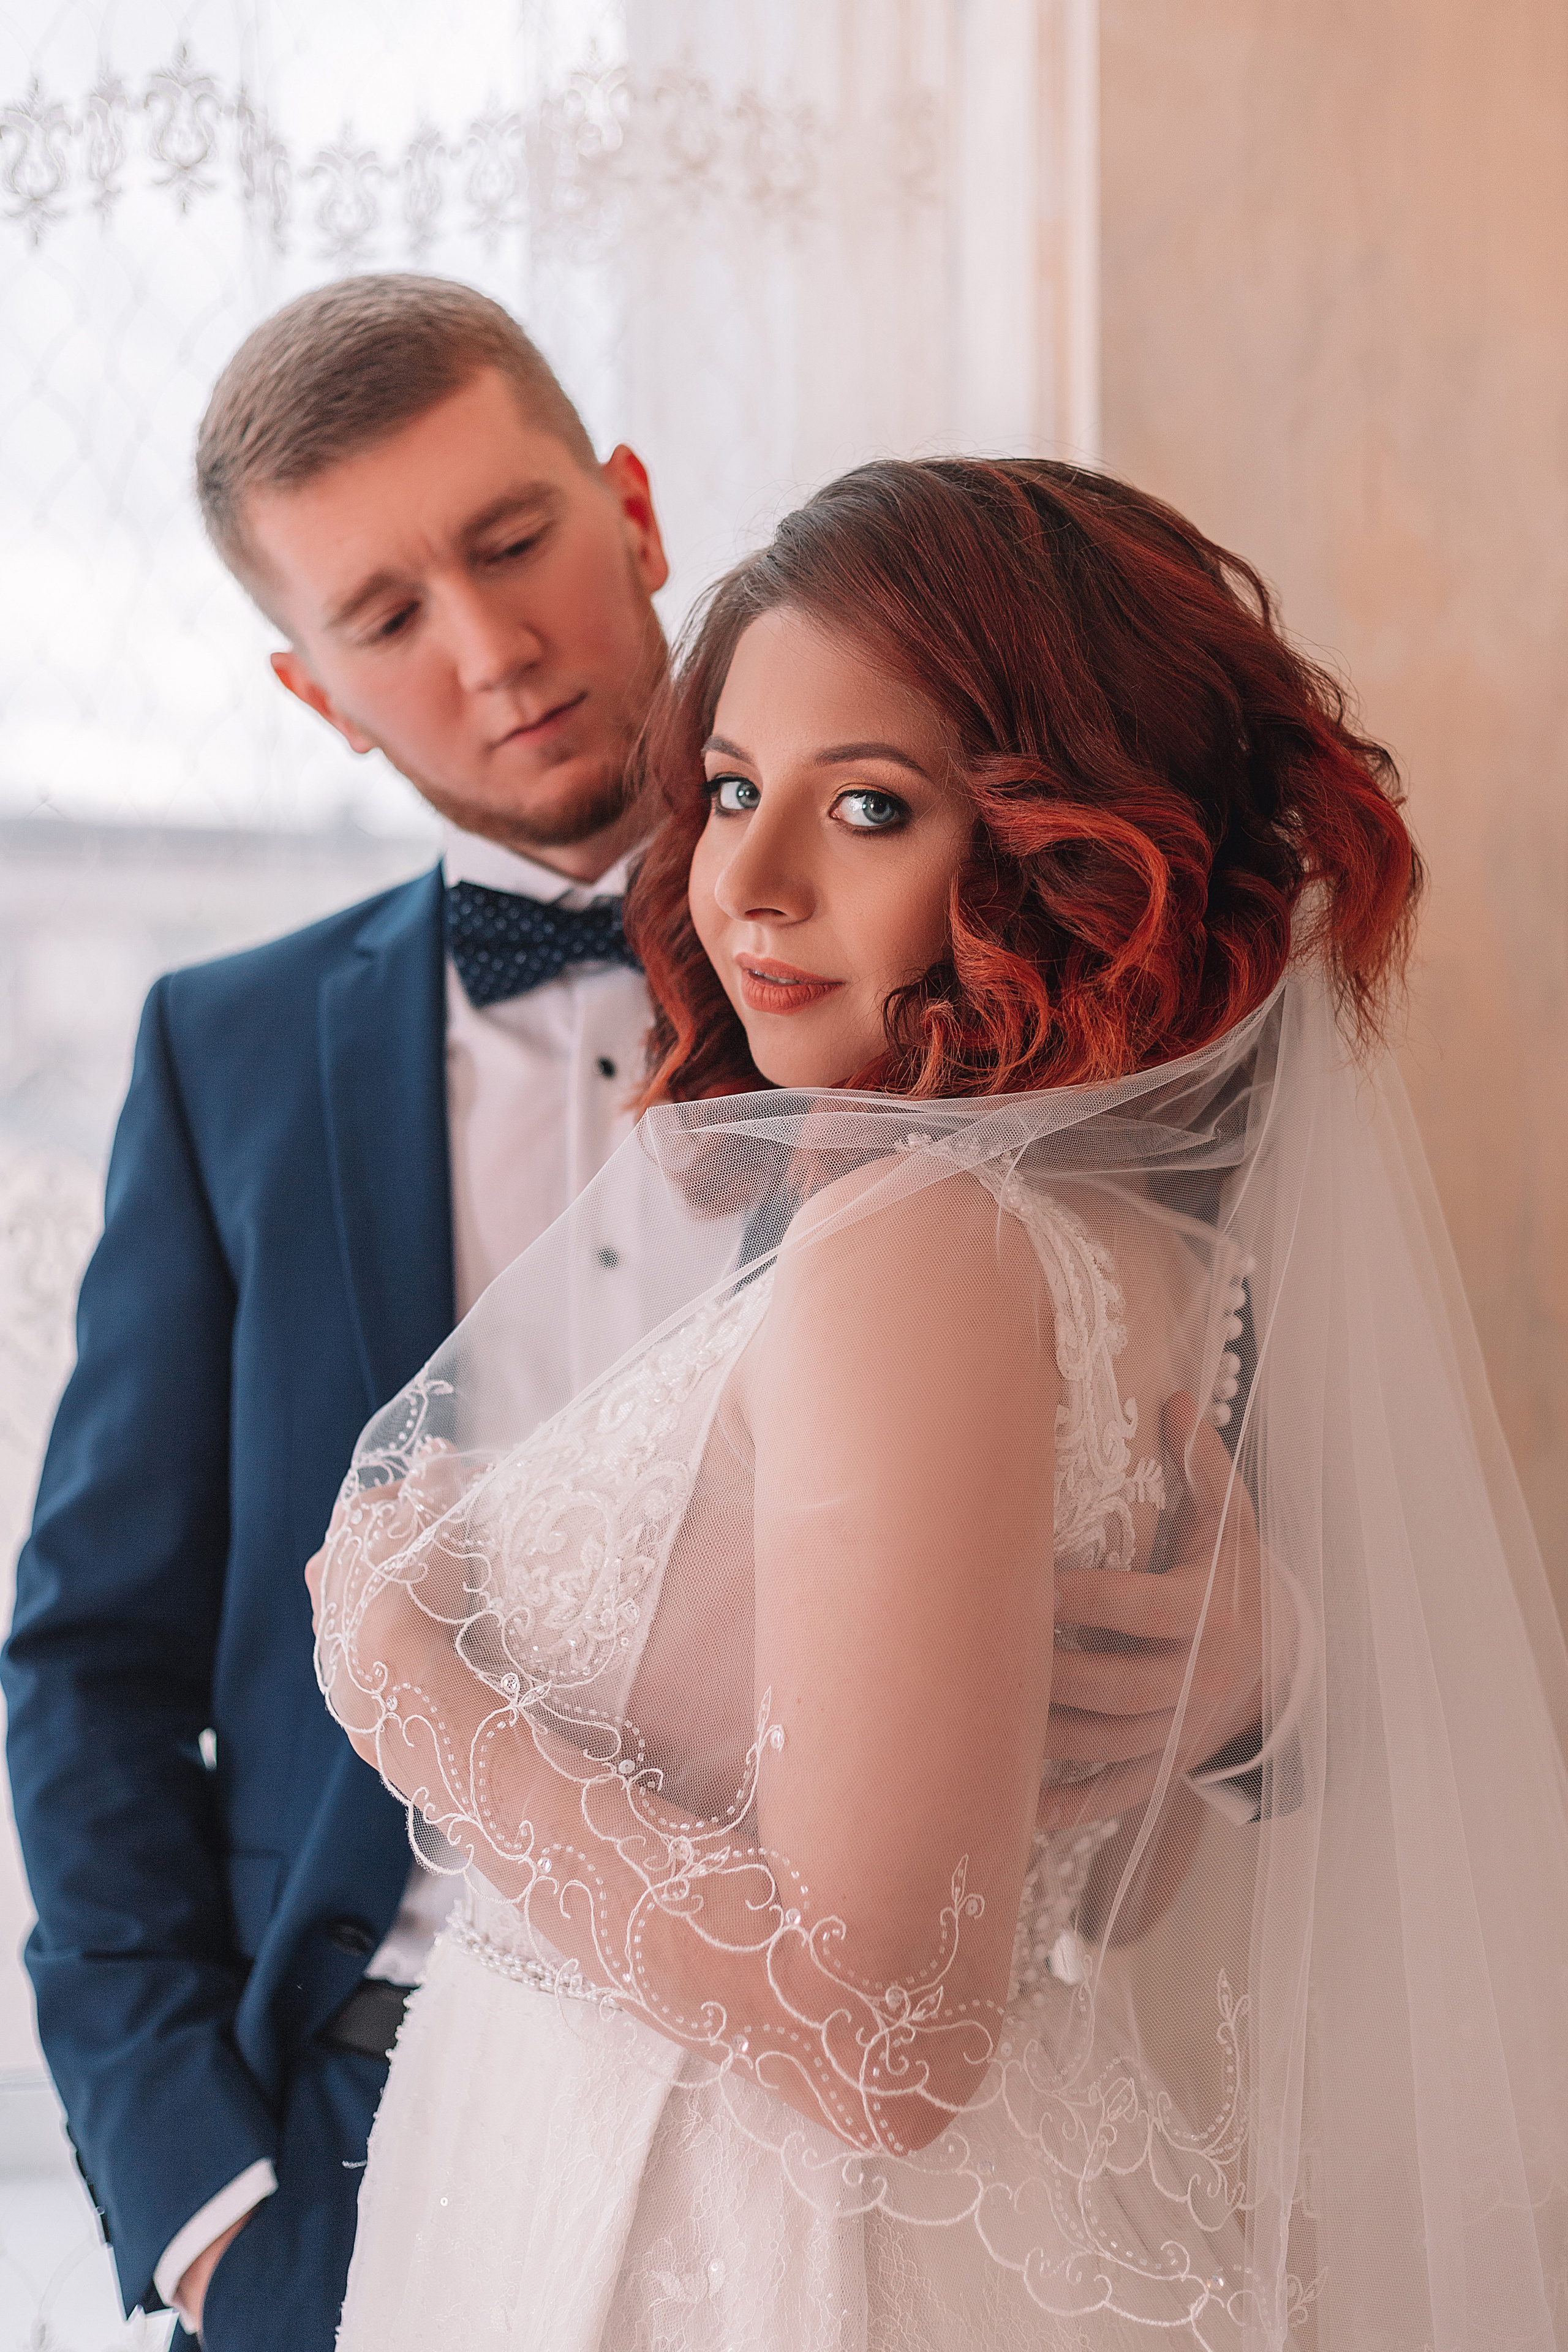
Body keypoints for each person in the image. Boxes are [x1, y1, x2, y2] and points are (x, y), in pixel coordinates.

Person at [1, 284, 1264, 2350]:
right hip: (341, 2168)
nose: (488, 652)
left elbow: (1202, 1524)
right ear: (313, 692)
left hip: (828, 2187)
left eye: (512, 546)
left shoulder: (1003, 1037)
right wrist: (206, 2197)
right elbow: (92, 1661)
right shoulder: (216, 1058)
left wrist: (1259, 1683)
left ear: (636, 514)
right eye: (386, 614)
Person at [312, 457, 1568, 2349]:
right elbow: (1095, 1900)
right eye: (733, 789)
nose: (747, 882)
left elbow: (880, 2035)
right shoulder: (1129, 1247)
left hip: (765, 2260)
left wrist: (414, 1693)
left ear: (1061, 855)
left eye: (871, 807)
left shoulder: (923, 1248)